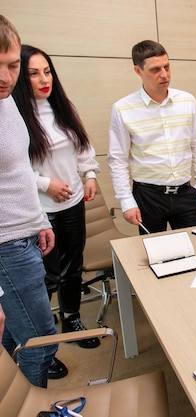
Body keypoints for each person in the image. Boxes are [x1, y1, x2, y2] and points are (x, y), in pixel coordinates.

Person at [12, 45, 101, 356]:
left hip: (73, 203)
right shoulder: (16, 117)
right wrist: (45, 184)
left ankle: (72, 319)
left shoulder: (63, 107)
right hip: (40, 210)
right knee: (47, 274)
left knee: (72, 267)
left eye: (47, 71)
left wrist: (89, 175)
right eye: (34, 73)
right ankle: (40, 335)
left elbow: (82, 147)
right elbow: (13, 170)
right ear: (21, 79)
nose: (43, 79)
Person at [0, 14, 58, 387]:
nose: (6, 77)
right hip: (6, 249)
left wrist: (40, 220)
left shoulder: (6, 101)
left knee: (13, 340)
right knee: (40, 345)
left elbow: (18, 171)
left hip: (24, 238)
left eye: (12, 65)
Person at [108, 40, 196, 234]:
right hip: (148, 196)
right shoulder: (123, 108)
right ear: (138, 71)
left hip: (186, 193)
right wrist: (126, 200)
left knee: (195, 248)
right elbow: (117, 159)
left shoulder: (187, 100)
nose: (164, 75)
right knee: (155, 255)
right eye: (155, 70)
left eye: (167, 67)